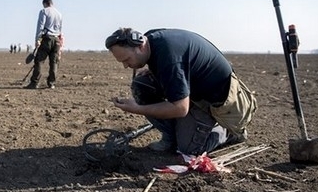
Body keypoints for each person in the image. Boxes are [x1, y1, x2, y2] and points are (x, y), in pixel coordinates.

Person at [105, 28, 258, 155]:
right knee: (143, 84)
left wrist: (137, 108)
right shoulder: (151, 39)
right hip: (194, 92)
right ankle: (171, 137)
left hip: (217, 104)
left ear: (140, 46)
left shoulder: (169, 57)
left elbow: (180, 108)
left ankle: (229, 132)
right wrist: (154, 73)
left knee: (189, 150)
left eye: (127, 59)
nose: (125, 66)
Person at [25, 0, 63, 89]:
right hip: (56, 40)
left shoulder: (44, 11)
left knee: (39, 61)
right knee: (54, 62)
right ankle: (51, 83)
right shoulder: (59, 14)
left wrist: (37, 40)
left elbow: (40, 26)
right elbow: (60, 29)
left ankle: (34, 83)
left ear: (45, 3)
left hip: (47, 39)